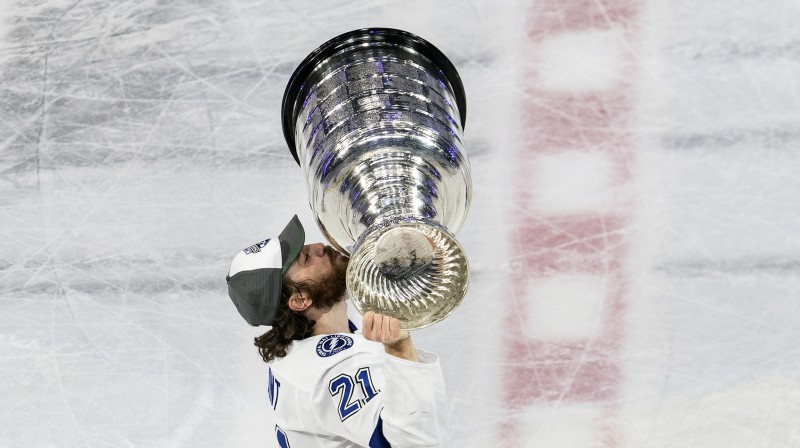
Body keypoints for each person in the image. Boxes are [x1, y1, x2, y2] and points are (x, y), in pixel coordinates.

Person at [226, 215, 448, 447]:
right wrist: (400, 350)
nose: (318, 247)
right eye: (305, 258)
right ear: (300, 300)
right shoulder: (332, 370)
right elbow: (415, 443)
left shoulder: (302, 347)